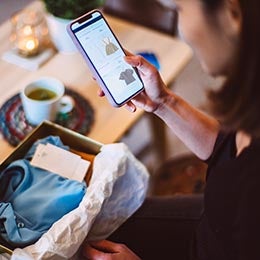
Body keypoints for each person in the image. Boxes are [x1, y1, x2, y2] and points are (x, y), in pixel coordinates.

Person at [82, 0, 260, 259]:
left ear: (232, 14)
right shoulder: (252, 105)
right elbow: (227, 148)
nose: (184, 31)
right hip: (213, 226)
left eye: (180, 10)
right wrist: (163, 101)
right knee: (103, 222)